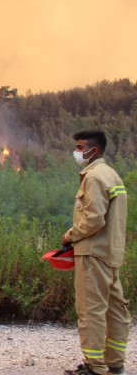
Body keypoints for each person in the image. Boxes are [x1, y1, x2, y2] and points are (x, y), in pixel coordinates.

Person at [62, 130, 129, 375]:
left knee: (91, 311)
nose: (77, 152)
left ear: (95, 150)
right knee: (115, 311)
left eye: (80, 147)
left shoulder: (93, 177)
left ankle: (94, 367)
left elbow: (93, 219)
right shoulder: (112, 175)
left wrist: (69, 236)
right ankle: (115, 363)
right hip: (110, 253)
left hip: (93, 254)